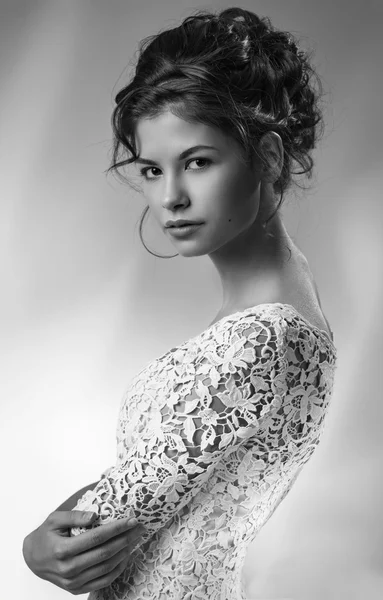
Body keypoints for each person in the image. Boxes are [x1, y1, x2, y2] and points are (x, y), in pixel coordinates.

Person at [22, 6, 338, 599]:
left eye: (197, 162)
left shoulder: (265, 339)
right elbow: (153, 477)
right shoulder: (286, 300)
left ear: (267, 158)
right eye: (150, 168)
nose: (169, 197)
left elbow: (107, 517)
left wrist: (35, 545)